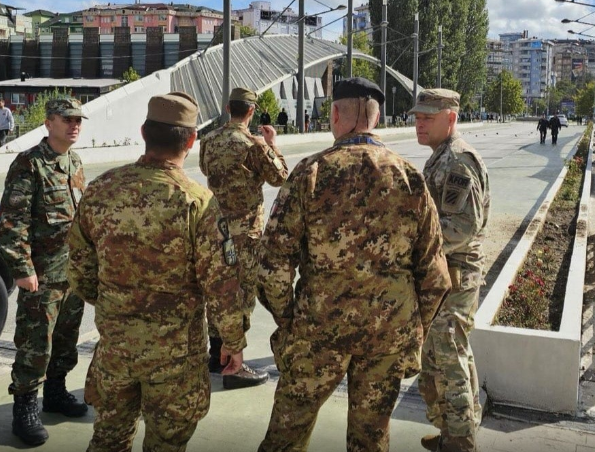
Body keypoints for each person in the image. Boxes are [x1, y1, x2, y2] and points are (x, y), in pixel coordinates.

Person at [257, 77, 451, 452]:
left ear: (334, 114)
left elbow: (272, 265)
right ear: (376, 119)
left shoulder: (310, 173)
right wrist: (411, 327)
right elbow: (435, 275)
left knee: (287, 433)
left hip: (317, 332)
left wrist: (289, 319)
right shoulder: (410, 177)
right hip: (387, 336)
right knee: (370, 438)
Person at [68, 93, 246, 452]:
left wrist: (116, 305)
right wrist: (233, 342)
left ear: (144, 133)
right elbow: (221, 287)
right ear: (191, 140)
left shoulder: (101, 190)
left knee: (108, 440)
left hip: (116, 349)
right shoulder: (198, 202)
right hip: (176, 360)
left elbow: (80, 271)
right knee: (167, 443)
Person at [0, 98, 89, 446]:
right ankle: (24, 409)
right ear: (49, 123)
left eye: (78, 119)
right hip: (42, 275)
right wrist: (21, 268)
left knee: (66, 341)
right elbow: (12, 221)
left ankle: (56, 392)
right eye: (67, 119)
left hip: (73, 273)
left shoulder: (75, 160)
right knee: (35, 345)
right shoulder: (28, 164)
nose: (74, 125)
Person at [411, 89, 492, 452]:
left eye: (428, 117)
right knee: (441, 355)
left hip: (455, 275)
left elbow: (460, 229)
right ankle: (453, 431)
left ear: (451, 118)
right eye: (418, 116)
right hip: (443, 273)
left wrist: (411, 251)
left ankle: (460, 441)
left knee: (449, 355)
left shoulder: (458, 161)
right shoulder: (441, 156)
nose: (420, 122)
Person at [199, 87, 288, 389]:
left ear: (228, 108)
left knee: (218, 290)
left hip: (214, 227)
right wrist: (272, 144)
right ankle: (234, 365)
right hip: (245, 232)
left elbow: (205, 169)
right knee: (241, 295)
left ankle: (216, 353)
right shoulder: (253, 144)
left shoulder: (209, 140)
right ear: (251, 111)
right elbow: (280, 177)